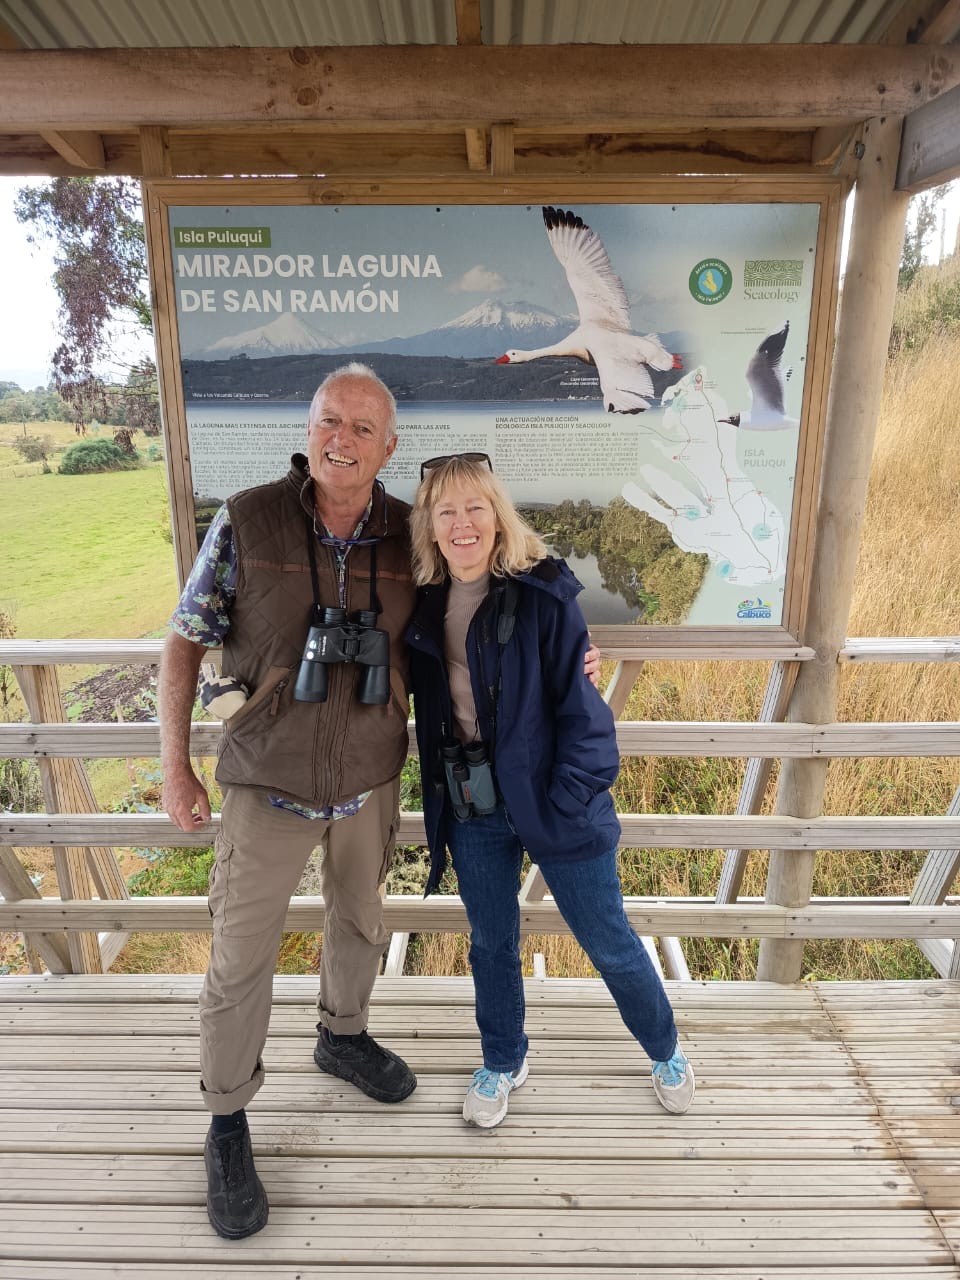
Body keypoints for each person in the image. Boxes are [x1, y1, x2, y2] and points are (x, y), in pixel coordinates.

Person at [160, 366, 600, 1238]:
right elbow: (184, 644)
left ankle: (343, 1034)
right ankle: (227, 1118)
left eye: (364, 428)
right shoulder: (247, 519)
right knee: (241, 955)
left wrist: (571, 651)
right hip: (266, 778)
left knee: (360, 920)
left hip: (368, 774)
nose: (344, 440)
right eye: (331, 421)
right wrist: (175, 766)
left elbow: (491, 587)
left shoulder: (410, 533)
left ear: (389, 446)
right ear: (308, 428)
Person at [405, 454, 695, 1130]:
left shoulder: (543, 594)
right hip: (474, 803)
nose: (462, 523)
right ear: (431, 527)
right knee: (491, 943)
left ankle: (667, 1051)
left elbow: (585, 718)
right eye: (446, 512)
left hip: (557, 801)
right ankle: (504, 1059)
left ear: (498, 516)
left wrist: (567, 799)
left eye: (475, 507)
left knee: (608, 939)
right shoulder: (422, 603)